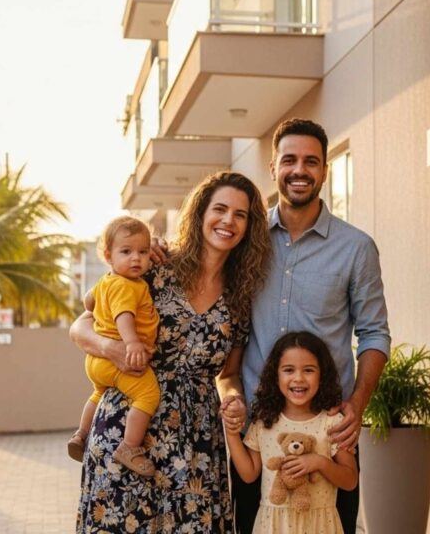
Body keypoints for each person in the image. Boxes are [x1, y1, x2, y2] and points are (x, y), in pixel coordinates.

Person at [70, 172, 271, 533]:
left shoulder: (241, 296)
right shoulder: (154, 266)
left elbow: (228, 375)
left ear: (249, 226)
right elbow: (80, 326)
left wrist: (235, 400)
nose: (228, 220)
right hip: (128, 433)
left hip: (196, 441)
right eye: (220, 209)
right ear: (200, 214)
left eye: (240, 215)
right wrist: (112, 348)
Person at [233, 118, 391, 534]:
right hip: (257, 432)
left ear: (324, 170)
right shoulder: (246, 239)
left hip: (329, 436)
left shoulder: (356, 248)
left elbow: (374, 333)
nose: (299, 170)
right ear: (273, 168)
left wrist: (356, 404)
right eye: (289, 160)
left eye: (311, 161)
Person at [227, 332, 357, 534]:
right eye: (288, 370)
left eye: (309, 370)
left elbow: (350, 481)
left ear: (322, 375)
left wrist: (319, 462)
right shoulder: (264, 422)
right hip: (274, 527)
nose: (298, 378)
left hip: (320, 527)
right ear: (275, 375)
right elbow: (248, 473)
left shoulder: (333, 423)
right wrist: (232, 433)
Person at [67, 216, 160, 477]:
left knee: (97, 394)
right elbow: (124, 316)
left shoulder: (106, 281)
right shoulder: (127, 286)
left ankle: (81, 434)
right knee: (148, 395)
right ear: (108, 255)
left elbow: (88, 302)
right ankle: (129, 447)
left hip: (95, 363)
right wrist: (131, 343)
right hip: (119, 358)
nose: (136, 259)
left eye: (143, 252)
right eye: (126, 252)